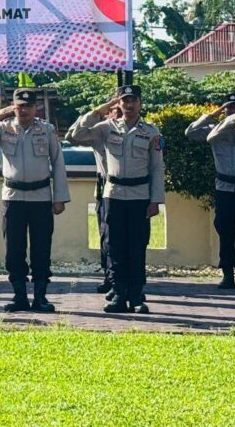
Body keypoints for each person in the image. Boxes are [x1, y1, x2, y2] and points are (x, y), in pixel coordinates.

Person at [0, 88, 69, 312]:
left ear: (35, 107)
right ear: (13, 107)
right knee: (14, 250)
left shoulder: (46, 130)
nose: (24, 110)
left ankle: (40, 297)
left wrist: (59, 197)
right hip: (13, 198)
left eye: (28, 106)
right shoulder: (2, 129)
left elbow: (58, 163)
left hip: (40, 197)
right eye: (20, 106)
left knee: (41, 249)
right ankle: (19, 296)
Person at [69, 85, 164, 314]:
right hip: (113, 195)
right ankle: (119, 294)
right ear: (118, 104)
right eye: (124, 101)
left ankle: (137, 296)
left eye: (133, 100)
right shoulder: (106, 128)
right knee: (114, 247)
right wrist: (98, 111)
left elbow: (157, 168)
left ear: (140, 103)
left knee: (137, 247)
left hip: (140, 195)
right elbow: (74, 136)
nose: (129, 105)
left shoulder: (151, 132)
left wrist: (156, 200)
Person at [65, 103, 121, 295]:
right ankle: (110, 277)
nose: (117, 115)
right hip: (105, 185)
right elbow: (72, 135)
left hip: (130, 188)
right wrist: (95, 112)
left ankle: (127, 280)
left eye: (120, 111)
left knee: (129, 237)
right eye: (113, 111)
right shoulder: (100, 132)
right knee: (107, 236)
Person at [185, 92, 235, 289]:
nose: (232, 111)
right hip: (224, 187)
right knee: (224, 229)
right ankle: (227, 273)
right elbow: (190, 132)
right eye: (229, 108)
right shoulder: (214, 130)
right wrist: (212, 115)